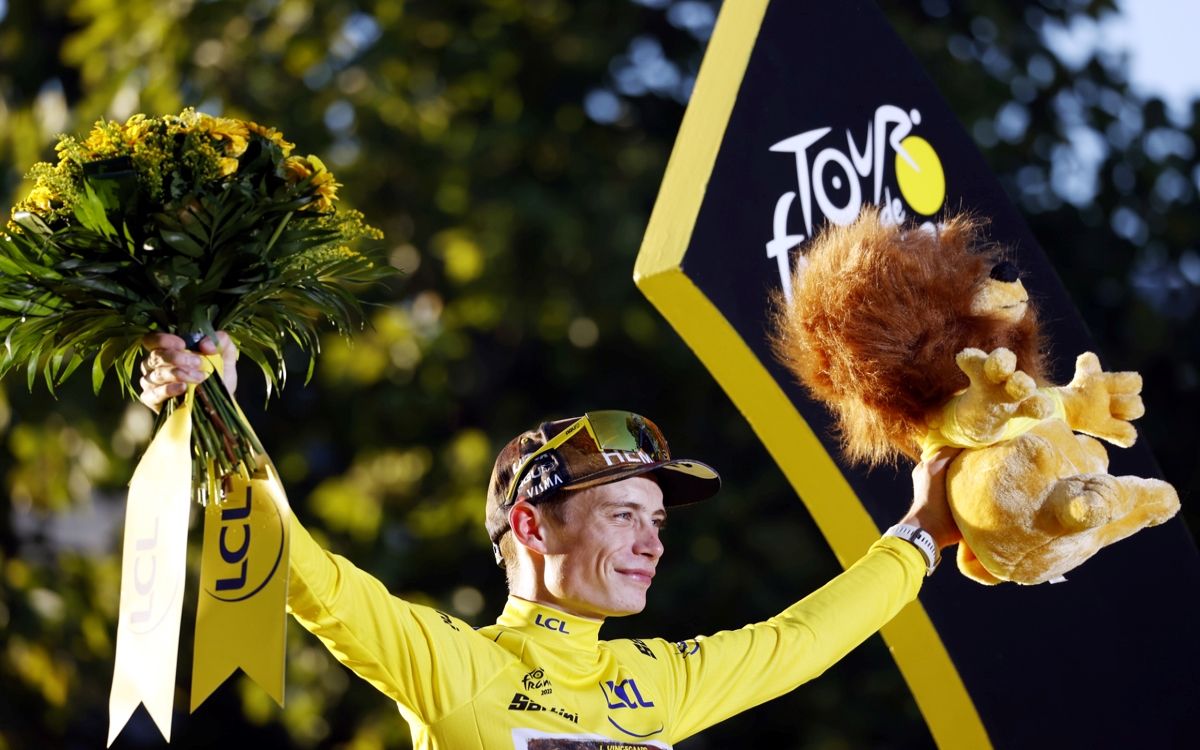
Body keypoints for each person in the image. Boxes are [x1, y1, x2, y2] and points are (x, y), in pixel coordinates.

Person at [140, 332, 961, 750]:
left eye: (658, 521)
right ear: (530, 524)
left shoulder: (655, 681)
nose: (652, 545)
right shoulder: (459, 669)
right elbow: (305, 574)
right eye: (622, 515)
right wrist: (214, 413)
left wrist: (922, 532)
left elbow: (799, 643)